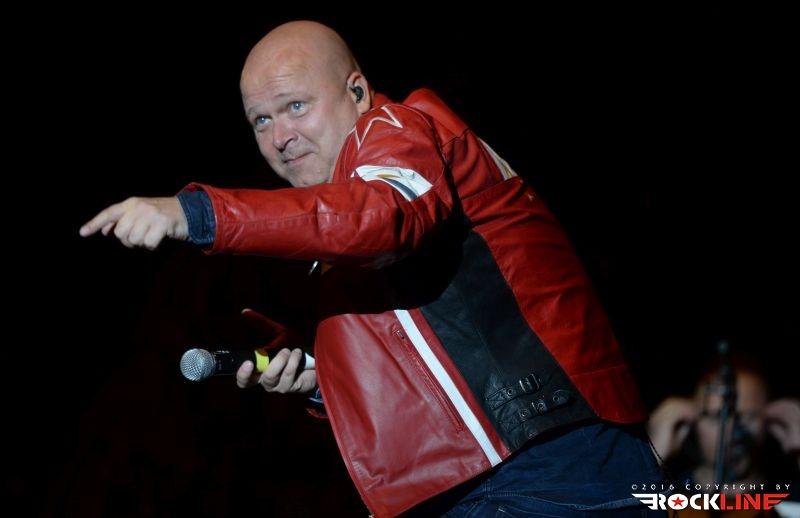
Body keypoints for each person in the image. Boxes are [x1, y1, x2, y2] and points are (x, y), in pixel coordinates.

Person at [80, 20, 666, 517]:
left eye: (296, 106)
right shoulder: (345, 223)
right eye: (261, 121)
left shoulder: (396, 129)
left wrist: (197, 213)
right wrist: (322, 378)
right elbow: (428, 358)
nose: (280, 137)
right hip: (492, 479)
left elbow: (382, 218)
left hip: (543, 463)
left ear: (357, 92)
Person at [649, 355, 800, 491]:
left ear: (771, 420)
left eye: (747, 416)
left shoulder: (789, 496)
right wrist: (652, 454)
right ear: (690, 420)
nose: (731, 429)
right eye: (716, 416)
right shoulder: (666, 495)